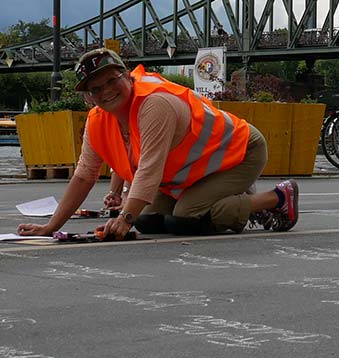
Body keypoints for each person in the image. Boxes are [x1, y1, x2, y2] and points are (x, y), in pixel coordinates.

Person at [17, 48, 298, 240]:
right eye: (95, 89)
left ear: (128, 76)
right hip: (194, 171)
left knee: (186, 219)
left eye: (112, 80)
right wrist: (51, 227)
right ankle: (230, 200)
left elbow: (149, 169)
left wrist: (123, 219)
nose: (106, 91)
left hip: (239, 153)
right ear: (88, 96)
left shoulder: (153, 105)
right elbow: (83, 175)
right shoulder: (97, 121)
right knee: (148, 220)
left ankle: (275, 199)